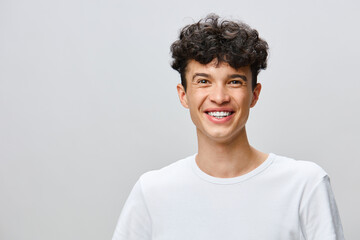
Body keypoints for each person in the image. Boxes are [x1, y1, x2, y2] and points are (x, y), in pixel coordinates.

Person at [112, 14, 345, 240]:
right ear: (184, 96)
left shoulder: (305, 185)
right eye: (203, 81)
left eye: (234, 82)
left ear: (254, 95)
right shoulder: (152, 192)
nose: (219, 97)